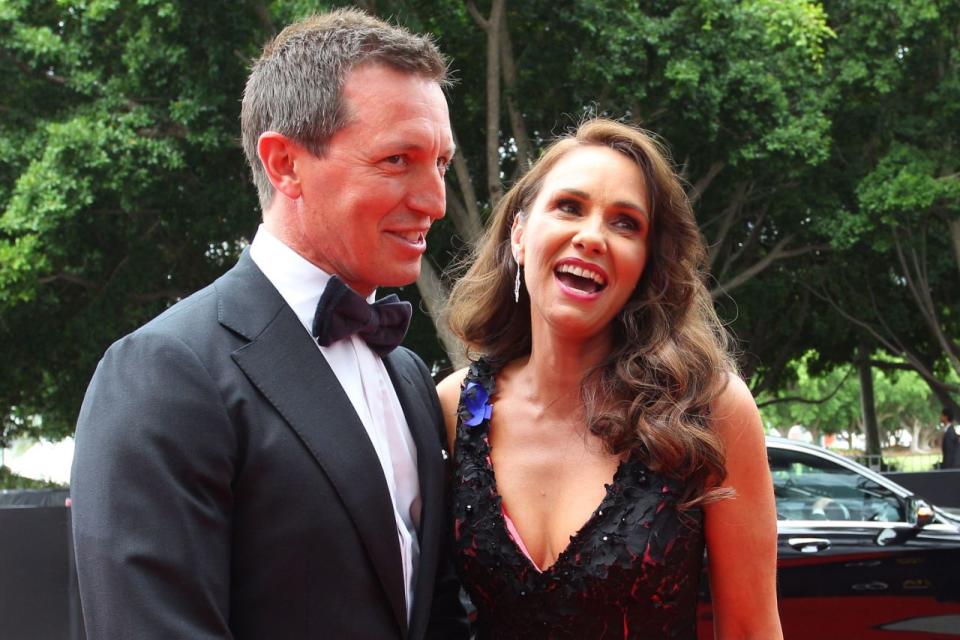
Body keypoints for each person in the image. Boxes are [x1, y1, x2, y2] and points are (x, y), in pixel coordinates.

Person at [70, 9, 468, 639]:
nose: (434, 200)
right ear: (285, 163)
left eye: (441, 163)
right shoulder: (164, 373)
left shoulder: (408, 374)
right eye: (398, 160)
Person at [437, 118, 783, 639]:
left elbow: (751, 629)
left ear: (646, 264)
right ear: (520, 235)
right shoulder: (452, 406)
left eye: (625, 224)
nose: (592, 237)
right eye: (569, 207)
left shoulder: (710, 409)